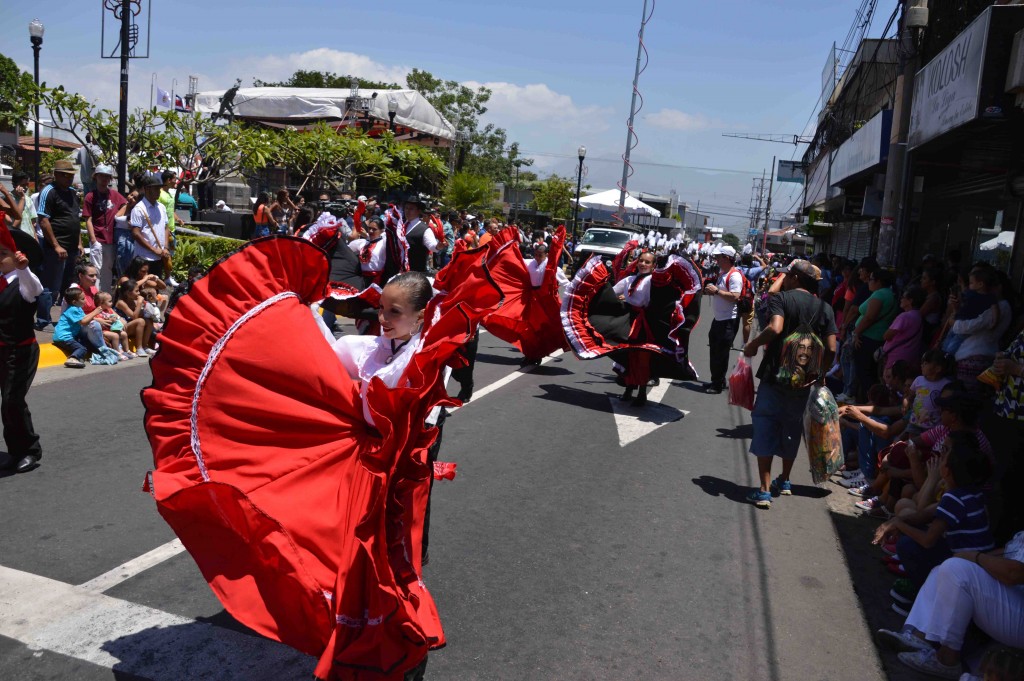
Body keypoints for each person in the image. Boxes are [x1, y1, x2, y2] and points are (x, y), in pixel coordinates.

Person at [142, 237, 505, 680]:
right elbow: (323, 357)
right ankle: (366, 639)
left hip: (397, 477)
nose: (383, 320)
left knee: (393, 561)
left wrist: (358, 393)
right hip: (363, 471)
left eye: (395, 313)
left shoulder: (428, 357)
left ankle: (404, 653)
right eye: (382, 310)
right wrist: (301, 315)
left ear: (421, 316)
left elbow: (393, 401)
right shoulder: (377, 347)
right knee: (350, 558)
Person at [742, 259, 837, 508]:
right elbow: (831, 348)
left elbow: (775, 328)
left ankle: (764, 490)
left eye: (787, 276)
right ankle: (784, 481)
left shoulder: (781, 300)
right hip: (803, 380)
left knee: (765, 422)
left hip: (775, 375)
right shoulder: (825, 307)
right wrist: (820, 372)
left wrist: (752, 345)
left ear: (794, 278)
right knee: (791, 427)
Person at [0, 225, 44, 473]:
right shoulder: (1, 282)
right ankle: (15, 451)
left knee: (12, 401)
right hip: (3, 351)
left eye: (3, 252)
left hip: (22, 351)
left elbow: (35, 289)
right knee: (8, 403)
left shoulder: (24, 282)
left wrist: (23, 268)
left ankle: (29, 451)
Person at [36, 159, 82, 330]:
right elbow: (43, 220)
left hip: (71, 247)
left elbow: (74, 219)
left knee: (67, 286)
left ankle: (67, 319)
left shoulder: (71, 193)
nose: (68, 178)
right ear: (56, 175)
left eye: (70, 175)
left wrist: (78, 243)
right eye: (64, 175)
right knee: (50, 285)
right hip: (56, 248)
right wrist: (56, 245)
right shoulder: (49, 191)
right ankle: (43, 320)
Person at [851, 268, 898, 402]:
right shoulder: (889, 294)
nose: (868, 282)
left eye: (871, 279)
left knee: (864, 373)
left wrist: (856, 333)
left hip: (868, 339)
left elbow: (869, 317)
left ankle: (870, 402)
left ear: (879, 281)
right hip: (874, 338)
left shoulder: (880, 295)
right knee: (869, 373)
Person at [702, 245, 743, 394]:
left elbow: (735, 296)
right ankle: (716, 380)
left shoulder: (734, 275)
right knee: (714, 350)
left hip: (728, 321)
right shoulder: (723, 273)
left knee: (720, 353)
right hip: (719, 319)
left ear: (726, 258)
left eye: (719, 257)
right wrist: (712, 292)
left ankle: (717, 385)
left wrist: (717, 291)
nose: (716, 260)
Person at [83, 164, 127, 293]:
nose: (104, 179)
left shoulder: (114, 195)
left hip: (111, 238)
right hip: (98, 237)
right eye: (101, 176)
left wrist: (118, 214)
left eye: (107, 177)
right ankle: (94, 295)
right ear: (96, 177)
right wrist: (93, 240)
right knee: (95, 269)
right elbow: (88, 219)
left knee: (107, 269)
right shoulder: (90, 196)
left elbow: (126, 203)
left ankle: (105, 297)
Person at [129, 175, 171, 279]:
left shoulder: (161, 207)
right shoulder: (139, 209)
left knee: (155, 288)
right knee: (142, 288)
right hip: (144, 258)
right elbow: (136, 233)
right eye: (155, 188)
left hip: (159, 256)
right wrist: (153, 249)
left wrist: (165, 247)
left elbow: (166, 227)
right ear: (147, 189)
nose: (159, 191)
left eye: (159, 188)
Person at [52, 287, 104, 369]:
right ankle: (73, 358)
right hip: (64, 337)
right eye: (83, 299)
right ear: (74, 302)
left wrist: (98, 319)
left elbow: (85, 317)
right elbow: (83, 322)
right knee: (82, 348)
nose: (85, 300)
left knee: (84, 343)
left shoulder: (78, 308)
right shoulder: (72, 309)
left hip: (67, 337)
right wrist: (95, 312)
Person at [114, 278, 155, 357]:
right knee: (140, 321)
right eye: (136, 291)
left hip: (132, 326)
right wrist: (139, 303)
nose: (139, 293)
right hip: (122, 329)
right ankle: (139, 348)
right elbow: (134, 317)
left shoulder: (134, 301)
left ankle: (144, 346)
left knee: (149, 320)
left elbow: (141, 315)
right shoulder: (121, 303)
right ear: (128, 293)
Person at [403, 195, 438, 273]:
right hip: (400, 271)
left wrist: (438, 246)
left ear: (418, 211)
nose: (408, 211)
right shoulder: (400, 226)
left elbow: (432, 246)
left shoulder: (424, 229)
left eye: (411, 208)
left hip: (415, 272)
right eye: (406, 208)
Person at [94, 291, 132, 360]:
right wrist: (108, 320)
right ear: (101, 303)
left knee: (124, 334)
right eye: (110, 301)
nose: (112, 303)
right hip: (103, 331)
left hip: (112, 329)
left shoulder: (109, 310)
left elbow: (117, 317)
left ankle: (127, 350)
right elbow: (97, 321)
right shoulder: (97, 311)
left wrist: (118, 320)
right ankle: (117, 352)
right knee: (115, 336)